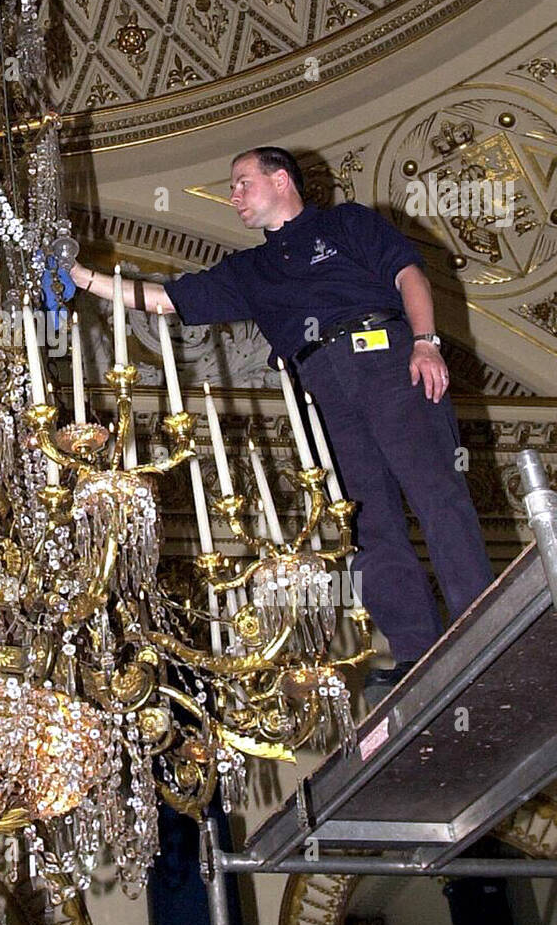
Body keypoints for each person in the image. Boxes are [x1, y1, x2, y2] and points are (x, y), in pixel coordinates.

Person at [68, 146, 493, 702]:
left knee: (435, 490)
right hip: (323, 387)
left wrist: (425, 342)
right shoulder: (251, 270)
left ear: (282, 179)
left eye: (243, 182)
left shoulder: (348, 222)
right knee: (363, 521)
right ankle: (416, 652)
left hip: (386, 356)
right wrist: (78, 274)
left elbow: (408, 274)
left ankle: (483, 628)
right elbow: (164, 300)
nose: (233, 196)